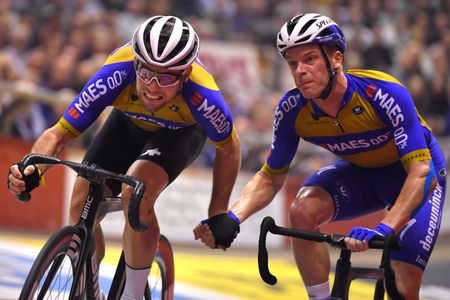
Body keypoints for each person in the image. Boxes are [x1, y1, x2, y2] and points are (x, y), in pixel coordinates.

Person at [194, 13, 446, 300]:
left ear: (336, 59)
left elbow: (420, 171)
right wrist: (232, 217)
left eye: (310, 59)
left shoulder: (383, 93)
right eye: (292, 63)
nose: (299, 70)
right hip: (362, 173)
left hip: (418, 176)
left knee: (401, 287)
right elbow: (269, 177)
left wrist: (385, 227)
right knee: (301, 210)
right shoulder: (291, 110)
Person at [8, 15, 241, 300]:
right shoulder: (117, 71)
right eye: (146, 72)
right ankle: (88, 286)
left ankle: (131, 295)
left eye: (166, 77)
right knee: (81, 204)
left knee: (136, 191)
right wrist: (33, 169)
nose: (153, 86)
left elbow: (229, 148)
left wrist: (218, 211)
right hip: (126, 124)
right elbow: (58, 133)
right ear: (135, 64)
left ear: (185, 74)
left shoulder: (204, 97)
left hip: (179, 134)